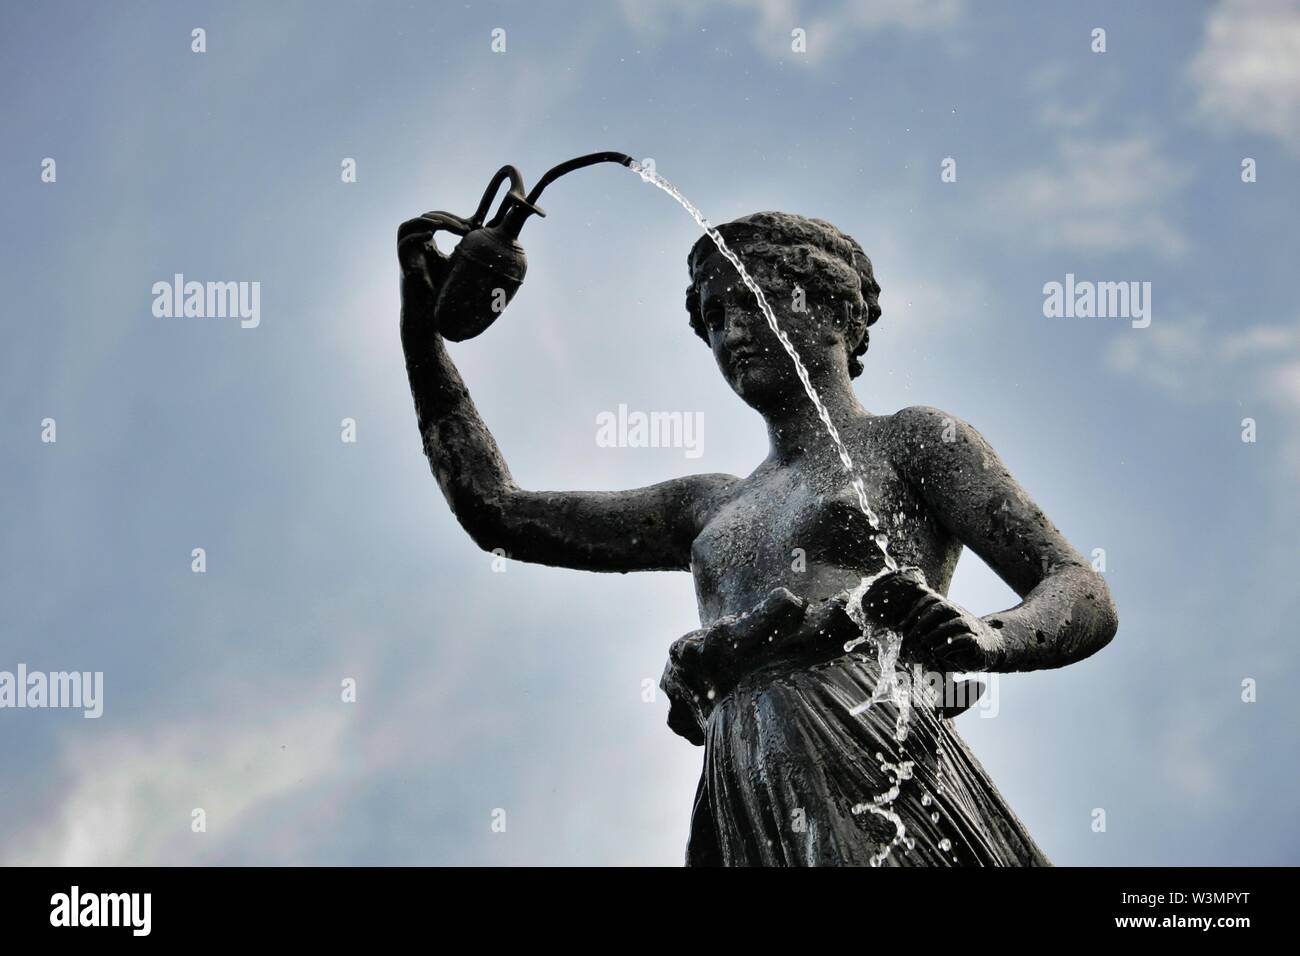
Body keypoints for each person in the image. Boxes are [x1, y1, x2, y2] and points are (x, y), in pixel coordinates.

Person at [397, 209, 1118, 866]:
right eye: (712, 316)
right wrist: (421, 333)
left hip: (865, 732)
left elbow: (1079, 587)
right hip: (743, 766)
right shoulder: (707, 506)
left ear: (832, 308)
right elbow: (497, 512)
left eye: (753, 301)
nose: (730, 333)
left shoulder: (913, 440)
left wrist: (987, 635)